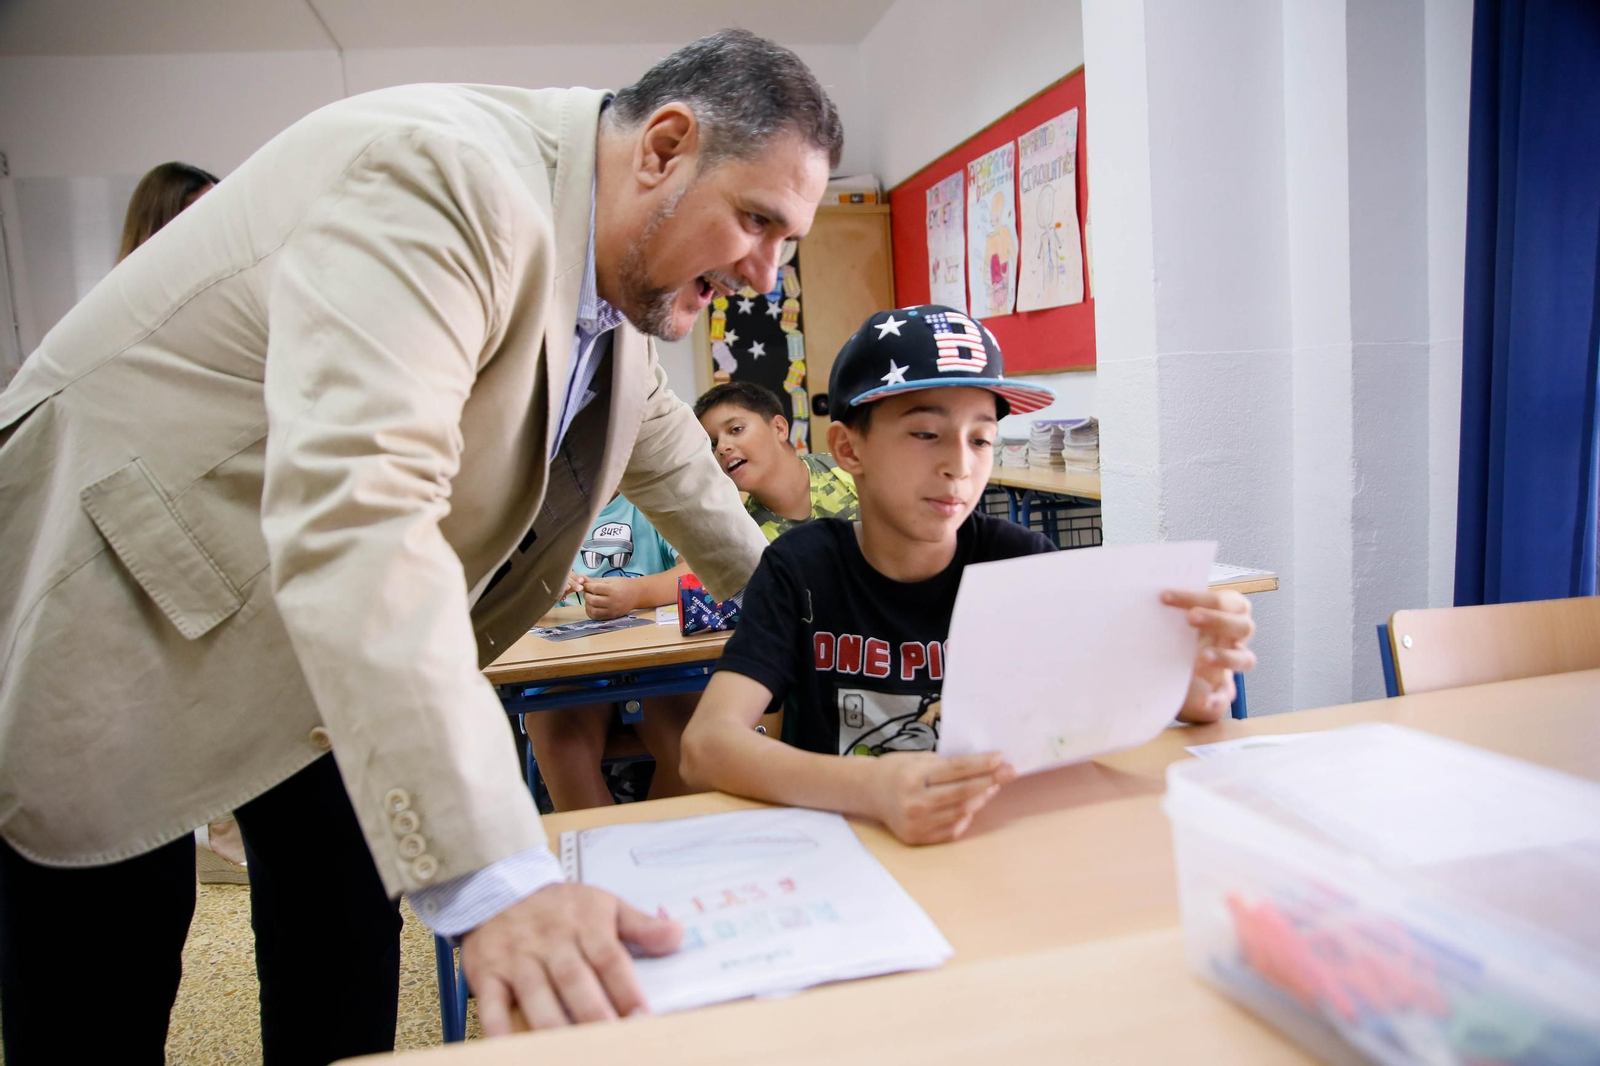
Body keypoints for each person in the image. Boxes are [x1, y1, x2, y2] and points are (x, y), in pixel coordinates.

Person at [0, 30, 840, 1064]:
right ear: (664, 147)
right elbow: (362, 510)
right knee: (105, 969)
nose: (762, 274)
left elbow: (668, 456)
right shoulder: (442, 175)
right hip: (125, 586)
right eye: (755, 220)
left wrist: (816, 622)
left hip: (319, 633)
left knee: (344, 941)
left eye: (785, 240)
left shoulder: (610, 280)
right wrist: (498, 876)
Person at [680, 306, 1257, 844]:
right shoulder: (800, 569)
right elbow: (706, 746)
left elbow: (1113, 704)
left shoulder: (1020, 561)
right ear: (849, 449)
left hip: (991, 841)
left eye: (981, 438)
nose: (959, 464)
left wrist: (1197, 685)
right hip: (848, 847)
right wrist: (872, 789)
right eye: (926, 433)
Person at [527, 494, 698, 810]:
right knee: (562, 747)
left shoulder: (654, 497)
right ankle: (608, 854)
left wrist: (637, 593)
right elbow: (499, 596)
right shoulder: (535, 512)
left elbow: (699, 573)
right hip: (565, 674)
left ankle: (647, 854)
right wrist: (538, 587)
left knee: (690, 744)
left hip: (660, 668)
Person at [694, 380, 859, 541]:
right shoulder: (748, 538)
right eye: (713, 444)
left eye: (736, 429)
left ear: (779, 428)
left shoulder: (849, 472)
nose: (721, 448)